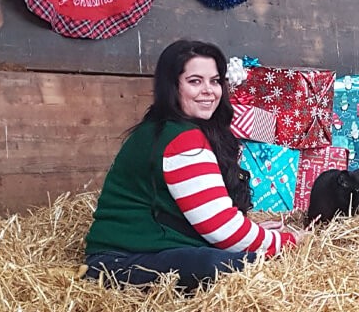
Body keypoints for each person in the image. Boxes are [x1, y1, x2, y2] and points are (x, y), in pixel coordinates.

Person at [84, 39, 306, 290]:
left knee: (225, 257)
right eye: (195, 81)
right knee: (224, 265)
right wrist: (286, 241)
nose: (208, 90)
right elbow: (223, 230)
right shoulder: (182, 140)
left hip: (137, 252)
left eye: (214, 81)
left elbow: (209, 219)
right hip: (120, 262)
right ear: (172, 86)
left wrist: (251, 233)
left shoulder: (164, 127)